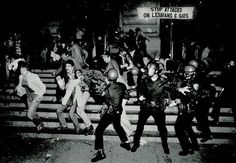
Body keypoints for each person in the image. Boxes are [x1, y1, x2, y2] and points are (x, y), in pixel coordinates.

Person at [91, 68, 131, 162]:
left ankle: (100, 153)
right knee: (117, 125)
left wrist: (92, 92)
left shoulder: (107, 89)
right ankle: (126, 142)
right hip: (119, 110)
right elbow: (126, 95)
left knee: (99, 130)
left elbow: (99, 100)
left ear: (108, 78)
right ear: (117, 77)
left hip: (111, 112)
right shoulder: (122, 85)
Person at [131, 62, 170, 154]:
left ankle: (165, 145)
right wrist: (140, 97)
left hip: (158, 108)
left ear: (156, 71)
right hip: (146, 107)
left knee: (162, 128)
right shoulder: (145, 80)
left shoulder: (163, 81)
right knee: (139, 127)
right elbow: (140, 91)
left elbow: (171, 91)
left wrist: (167, 99)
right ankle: (136, 143)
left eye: (150, 69)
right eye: (147, 68)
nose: (147, 70)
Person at [174, 65, 200, 156]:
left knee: (178, 128)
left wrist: (180, 98)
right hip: (186, 109)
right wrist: (179, 89)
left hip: (188, 110)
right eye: (186, 73)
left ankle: (187, 148)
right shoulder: (188, 81)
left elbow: (192, 96)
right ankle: (195, 145)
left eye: (189, 74)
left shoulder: (194, 84)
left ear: (193, 74)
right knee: (187, 127)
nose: (186, 75)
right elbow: (177, 88)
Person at [15, 61, 46, 132]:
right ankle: (41, 124)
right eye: (20, 69)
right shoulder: (21, 76)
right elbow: (20, 85)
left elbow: (43, 87)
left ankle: (38, 124)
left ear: (27, 68)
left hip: (36, 96)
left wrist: (39, 96)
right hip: (28, 97)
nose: (21, 71)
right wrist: (18, 89)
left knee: (29, 115)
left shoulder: (33, 76)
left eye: (23, 69)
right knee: (33, 113)